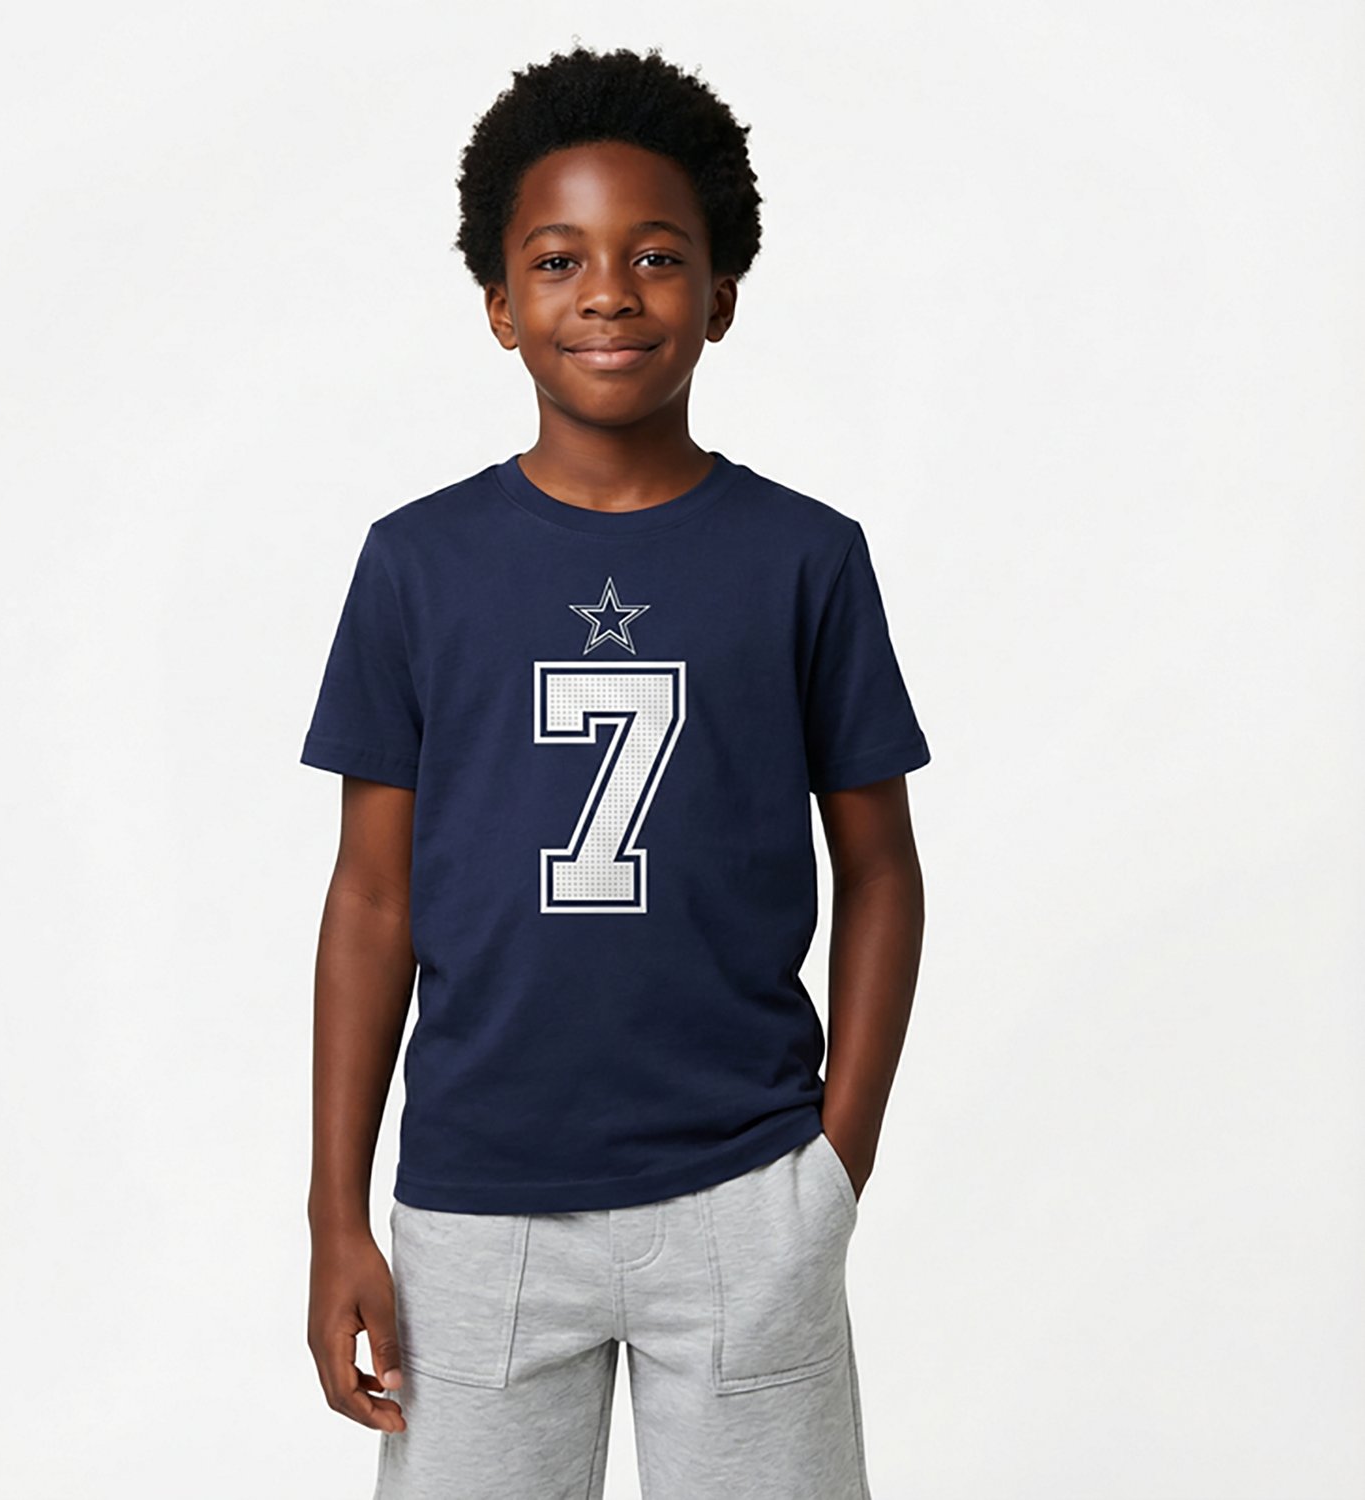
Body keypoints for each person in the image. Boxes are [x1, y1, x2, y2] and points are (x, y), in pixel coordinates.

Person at [301, 43, 930, 1500]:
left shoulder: (805, 558)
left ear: (721, 293)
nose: (608, 293)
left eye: (655, 255)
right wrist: (337, 1214)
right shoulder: (417, 565)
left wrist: (835, 1164)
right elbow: (371, 898)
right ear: (499, 305)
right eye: (559, 259)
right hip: (477, 1208)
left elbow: (882, 869)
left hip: (744, 1193)